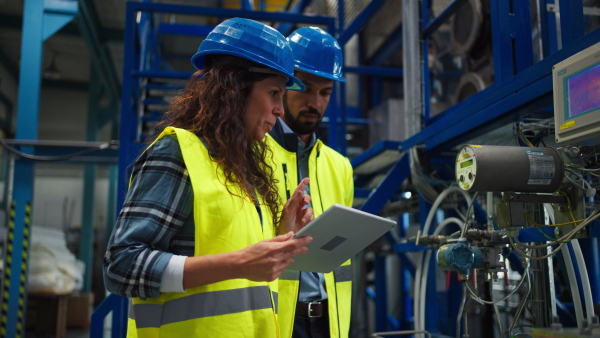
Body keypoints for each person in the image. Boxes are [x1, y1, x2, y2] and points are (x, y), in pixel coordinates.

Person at [103, 18, 316, 337]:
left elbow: (234, 257)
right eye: (273, 93)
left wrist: (283, 232)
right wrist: (239, 263)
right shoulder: (178, 154)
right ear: (234, 89)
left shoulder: (239, 166)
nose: (280, 110)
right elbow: (120, 266)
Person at [265, 27, 354, 338]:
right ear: (283, 85)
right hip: (275, 319)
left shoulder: (340, 166)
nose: (315, 102)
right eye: (305, 88)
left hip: (329, 320)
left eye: (325, 92)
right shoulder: (251, 152)